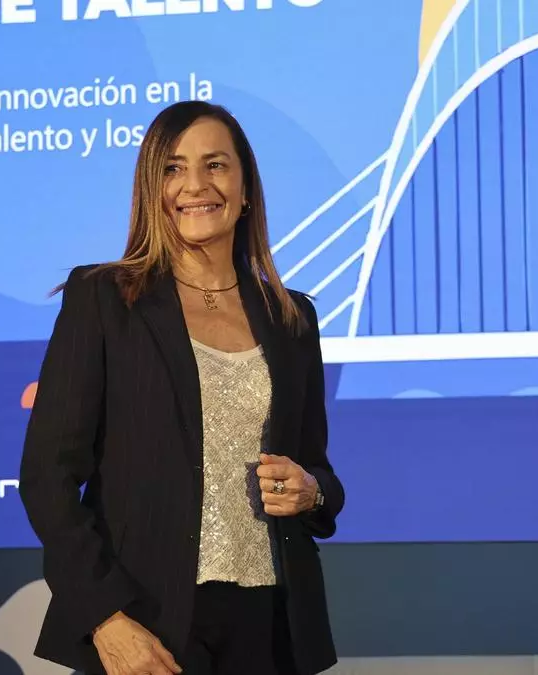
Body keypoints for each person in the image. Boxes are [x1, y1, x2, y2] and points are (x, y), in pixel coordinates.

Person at [18, 100, 345, 675]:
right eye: (173, 168)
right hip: (148, 625)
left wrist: (311, 492)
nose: (195, 185)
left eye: (215, 165)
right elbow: (47, 478)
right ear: (153, 189)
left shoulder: (292, 318)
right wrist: (105, 618)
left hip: (272, 625)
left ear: (246, 190)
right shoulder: (103, 300)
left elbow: (316, 470)